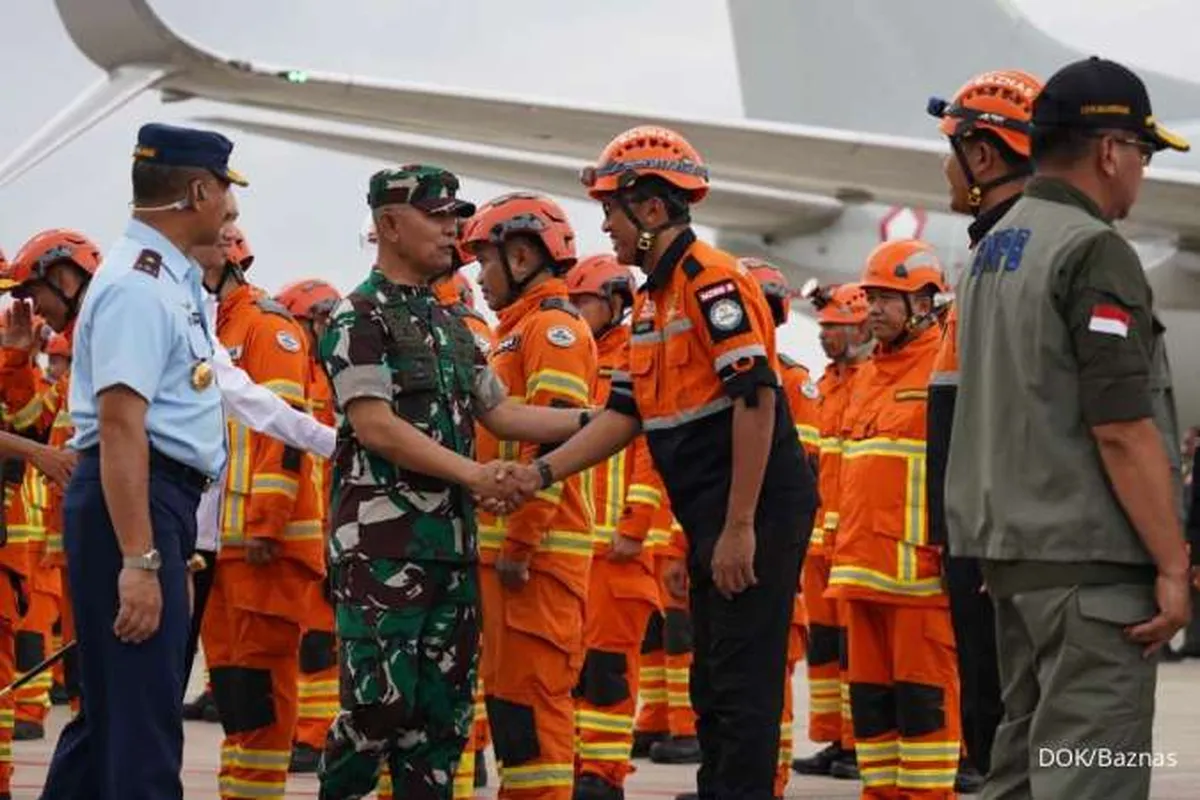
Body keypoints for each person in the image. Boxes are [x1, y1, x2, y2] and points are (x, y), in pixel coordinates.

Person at [499, 125, 817, 800]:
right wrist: (539, 473)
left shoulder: (714, 284)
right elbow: (623, 417)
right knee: (711, 684)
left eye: (612, 211)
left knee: (742, 685)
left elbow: (755, 401)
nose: (606, 228)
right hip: (711, 511)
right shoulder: (650, 303)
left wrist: (738, 528)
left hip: (751, 507)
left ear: (650, 210)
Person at [947, 56, 1192, 800]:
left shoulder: (992, 250)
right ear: (1111, 151)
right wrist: (1175, 564)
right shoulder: (1092, 251)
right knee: (1092, 778)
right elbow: (1121, 425)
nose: (1141, 175)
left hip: (1015, 566)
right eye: (1143, 156)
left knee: (1022, 776)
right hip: (1092, 578)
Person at [317, 165, 586, 800]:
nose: (452, 229)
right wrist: (474, 473)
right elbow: (375, 426)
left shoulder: (449, 325)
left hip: (451, 552)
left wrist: (604, 417)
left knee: (441, 721)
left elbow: (502, 412)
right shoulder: (357, 316)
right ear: (388, 225)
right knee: (376, 709)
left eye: (453, 215)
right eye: (436, 217)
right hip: (380, 553)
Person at [38, 122, 245, 800]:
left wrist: (163, 552)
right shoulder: (138, 286)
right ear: (195, 190)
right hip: (136, 499)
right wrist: (140, 560)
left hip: (152, 505)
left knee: (112, 723)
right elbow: (124, 429)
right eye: (223, 191)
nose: (229, 208)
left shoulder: (165, 280)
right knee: (143, 731)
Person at [926, 68, 1043, 792]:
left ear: (985, 157)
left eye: (952, 149)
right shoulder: (993, 250)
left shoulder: (1019, 250)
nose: (944, 166)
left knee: (1011, 724)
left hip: (998, 541)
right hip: (978, 536)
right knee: (994, 722)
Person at [462, 192, 599, 800]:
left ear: (521, 256)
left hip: (536, 561)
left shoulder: (555, 331)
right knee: (511, 712)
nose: (479, 277)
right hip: (507, 561)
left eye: (485, 262)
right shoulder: (514, 335)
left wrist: (520, 540)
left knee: (535, 713)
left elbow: (552, 442)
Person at [194, 220, 326, 799]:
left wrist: (267, 523)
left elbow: (286, 429)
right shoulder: (214, 331)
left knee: (261, 686)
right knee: (235, 688)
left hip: (261, 544)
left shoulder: (268, 328)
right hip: (224, 542)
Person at [827, 239, 960, 800]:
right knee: (873, 715)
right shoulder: (864, 375)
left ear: (925, 303)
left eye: (889, 298)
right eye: (872, 296)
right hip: (862, 576)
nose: (873, 308)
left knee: (923, 710)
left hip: (920, 581)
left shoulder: (946, 367)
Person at [564, 253, 662, 800]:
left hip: (619, 550)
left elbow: (651, 451)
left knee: (608, 667)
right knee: (573, 666)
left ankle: (603, 774)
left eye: (587, 301)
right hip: (576, 545)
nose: (578, 311)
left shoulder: (637, 358)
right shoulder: (574, 355)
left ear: (617, 302)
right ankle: (579, 763)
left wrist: (637, 522)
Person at [742, 258, 821, 799]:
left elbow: (803, 480)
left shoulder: (793, 380)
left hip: (773, 554)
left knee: (771, 687)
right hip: (730, 550)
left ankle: (767, 783)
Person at [791, 283, 873, 782]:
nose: (825, 337)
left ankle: (861, 743)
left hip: (854, 544)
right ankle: (836, 740)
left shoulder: (869, 381)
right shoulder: (826, 385)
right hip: (821, 544)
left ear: (860, 327)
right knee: (823, 651)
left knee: (853, 652)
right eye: (822, 328)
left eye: (835, 328)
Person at [275, 277, 343, 775]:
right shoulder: (309, 379)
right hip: (311, 523)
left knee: (321, 640)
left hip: (333, 522)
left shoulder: (340, 380)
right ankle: (309, 729)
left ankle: (316, 735)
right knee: (308, 639)